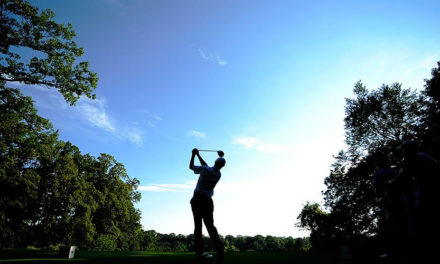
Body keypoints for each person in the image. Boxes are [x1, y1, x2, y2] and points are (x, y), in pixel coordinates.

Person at [189, 148, 225, 263]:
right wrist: (199, 155)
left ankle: (200, 252)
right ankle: (219, 248)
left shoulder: (206, 170)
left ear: (215, 162)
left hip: (198, 199)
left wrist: (194, 155)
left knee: (198, 226)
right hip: (208, 201)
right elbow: (206, 167)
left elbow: (191, 167)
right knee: (210, 226)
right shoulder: (218, 174)